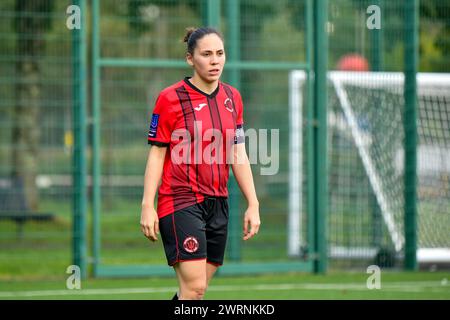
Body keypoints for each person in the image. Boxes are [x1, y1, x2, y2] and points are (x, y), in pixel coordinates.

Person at [140, 27, 260, 300]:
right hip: (180, 200)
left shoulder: (233, 98)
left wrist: (253, 203)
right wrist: (148, 205)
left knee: (192, 292)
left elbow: (237, 153)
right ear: (190, 59)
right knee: (195, 289)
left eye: (219, 53)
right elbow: (157, 155)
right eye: (206, 54)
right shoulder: (170, 98)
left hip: (218, 203)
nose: (215, 60)